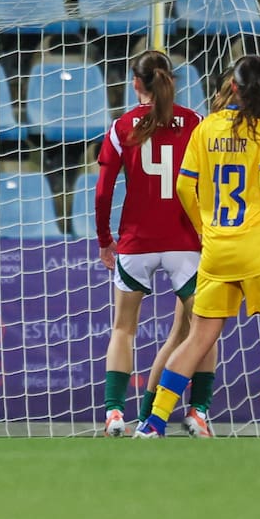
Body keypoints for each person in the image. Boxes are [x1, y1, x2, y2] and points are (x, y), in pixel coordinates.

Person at [135, 55, 260, 438]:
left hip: (218, 247)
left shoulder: (208, 126)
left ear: (231, 87)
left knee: (198, 338)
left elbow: (185, 186)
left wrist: (205, 229)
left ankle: (152, 424)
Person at [94, 50, 216, 438]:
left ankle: (115, 413)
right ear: (171, 81)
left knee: (123, 329)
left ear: (136, 84)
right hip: (185, 242)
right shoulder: (195, 123)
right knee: (203, 328)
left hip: (136, 242)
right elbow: (207, 182)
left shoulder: (121, 127)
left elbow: (102, 192)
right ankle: (197, 412)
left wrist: (104, 240)